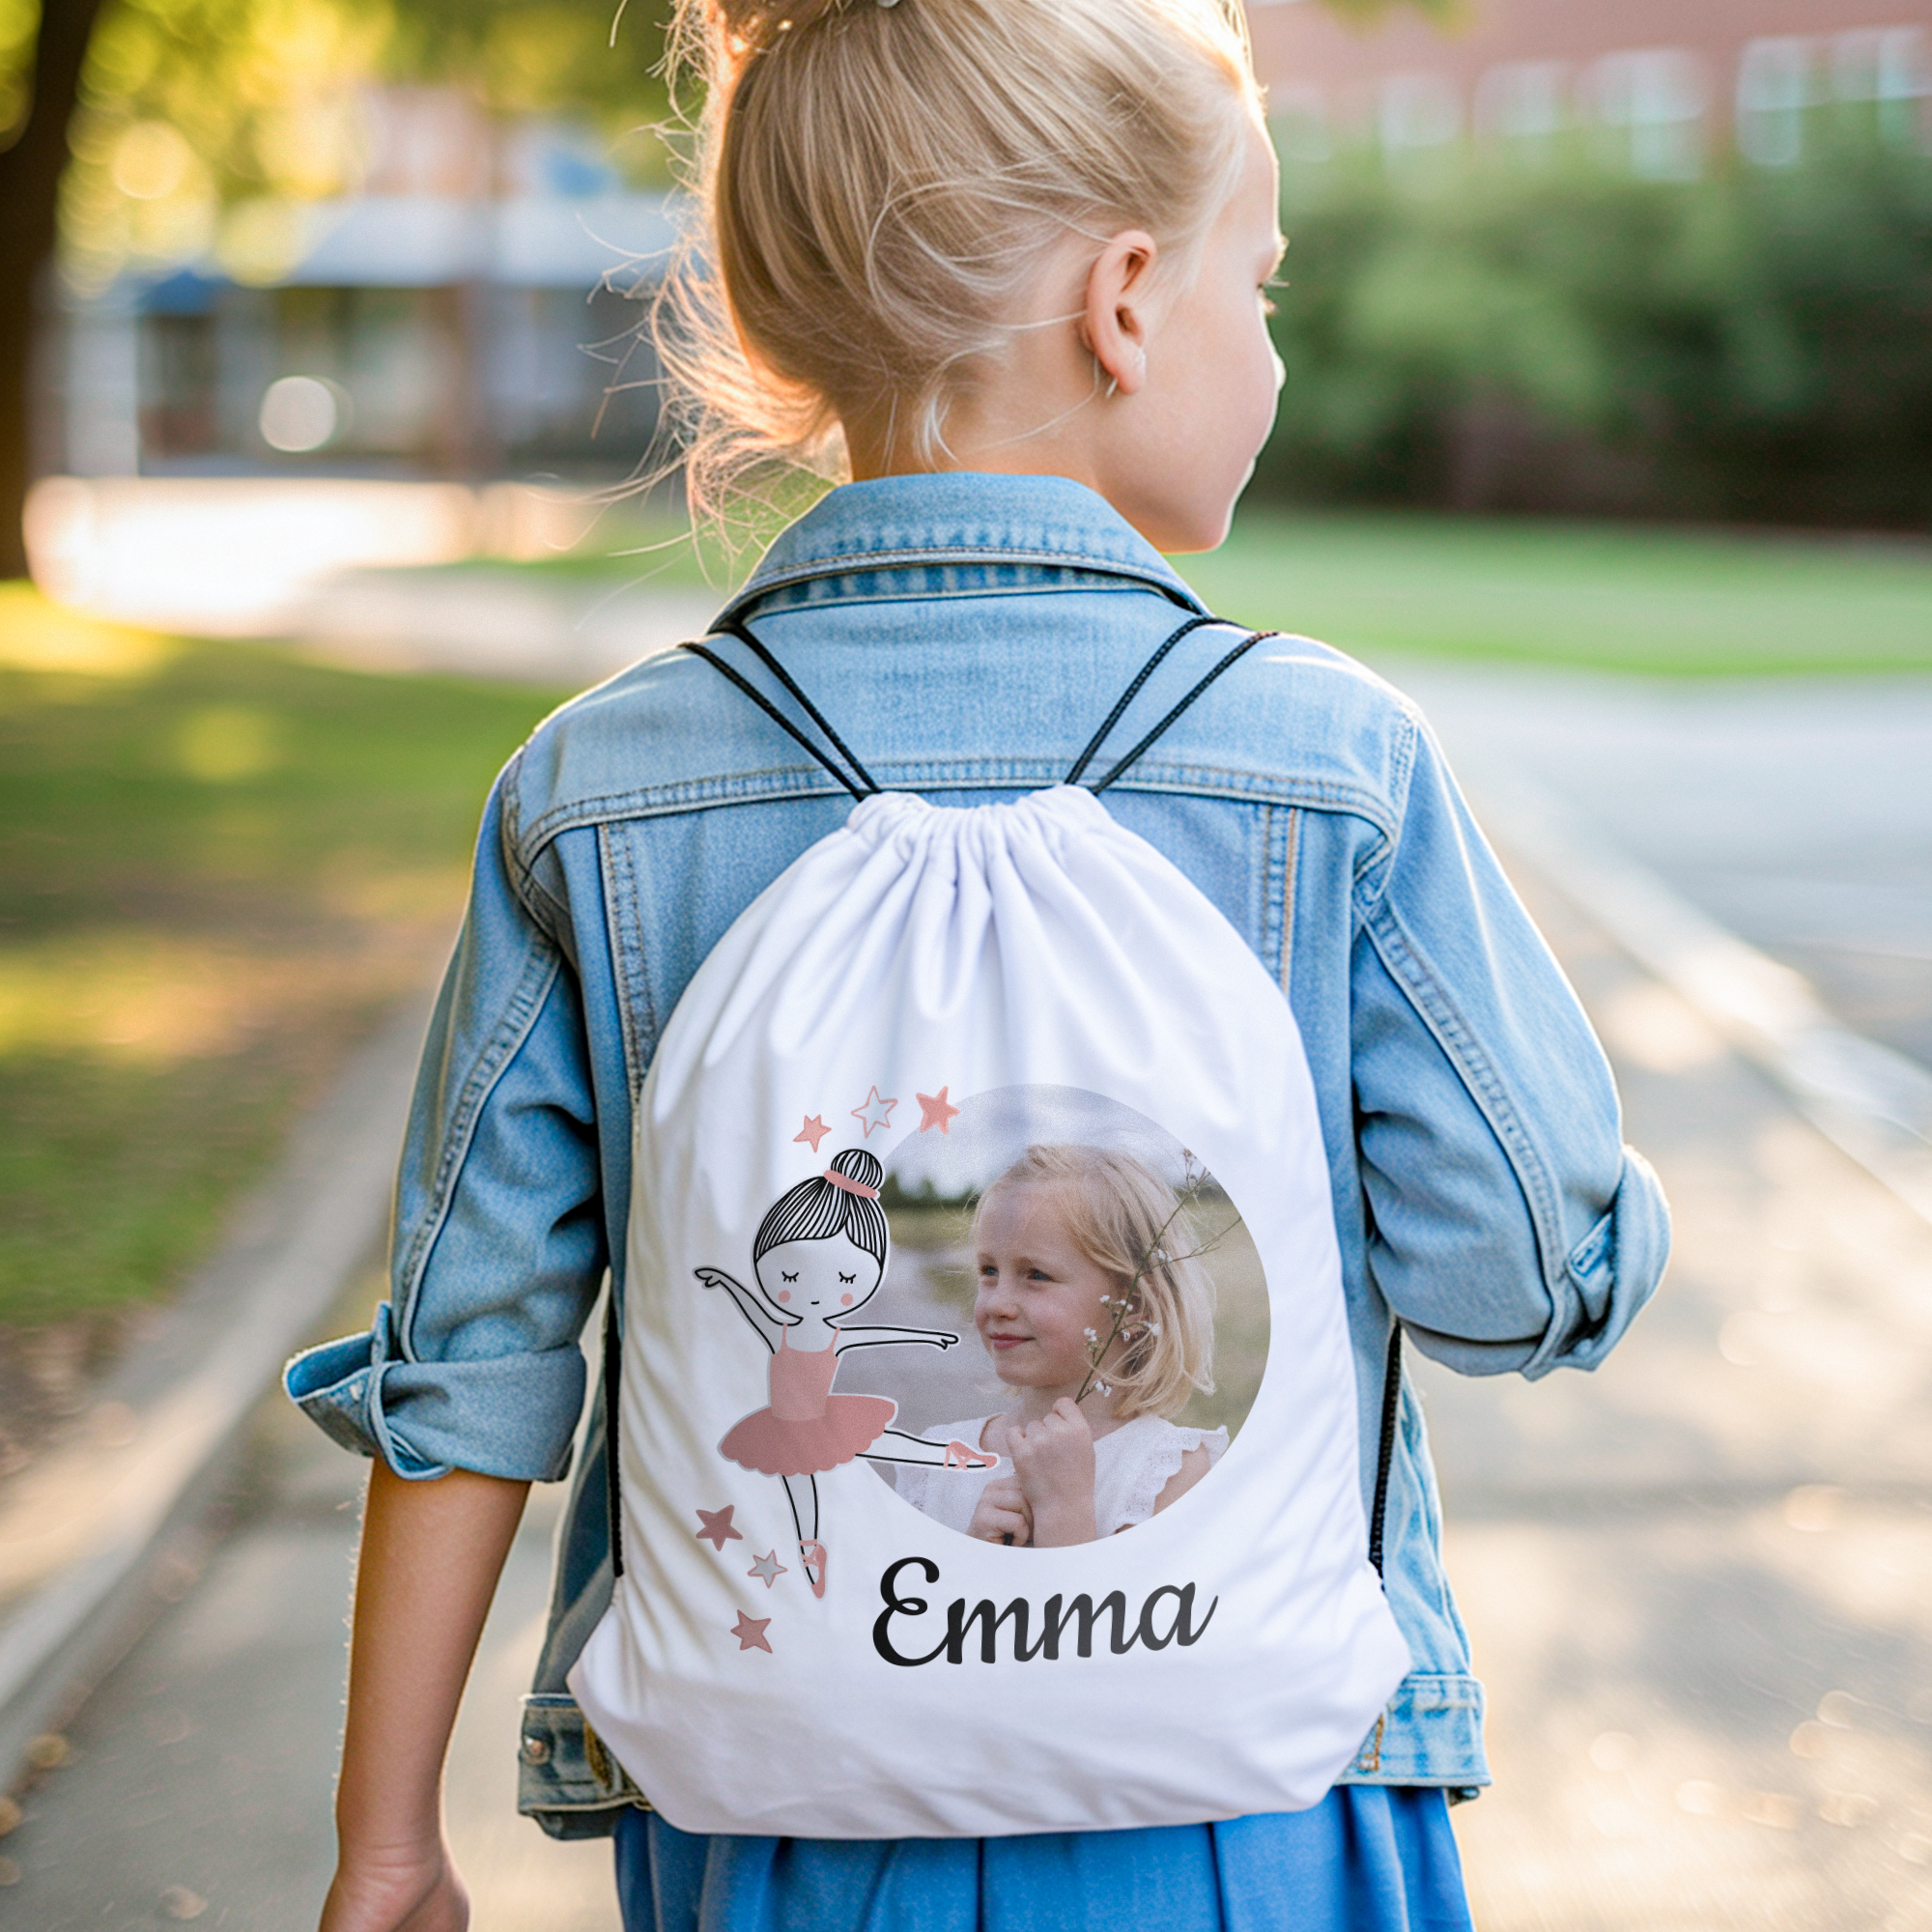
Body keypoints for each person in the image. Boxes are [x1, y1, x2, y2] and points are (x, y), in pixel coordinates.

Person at [288, 0, 1670, 1922]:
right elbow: (1513, 1279)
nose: (1274, 348)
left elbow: (473, 1363)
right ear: (1127, 300)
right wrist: (1609, 1229)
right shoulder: (1330, 764)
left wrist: (385, 1844)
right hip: (1250, 1818)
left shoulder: (594, 793)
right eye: (1261, 286)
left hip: (777, 1828)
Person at [895, 1143, 1230, 1547]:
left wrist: (1064, 1513)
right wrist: (973, 1549)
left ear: (1135, 1305)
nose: (997, 1303)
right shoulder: (935, 1462)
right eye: (989, 1270)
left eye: (1036, 1275)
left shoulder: (1167, 1475)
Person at [700, 1145, 995, 1597]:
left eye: (846, 1281)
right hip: (783, 1428)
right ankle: (810, 1556)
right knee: (801, 1495)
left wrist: (927, 1337)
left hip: (821, 1421)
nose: (817, 1294)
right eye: (791, 1277)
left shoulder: (834, 1336)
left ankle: (952, 1455)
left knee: (892, 1445)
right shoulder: (780, 1331)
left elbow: (878, 1334)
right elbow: (751, 1307)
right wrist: (725, 1282)